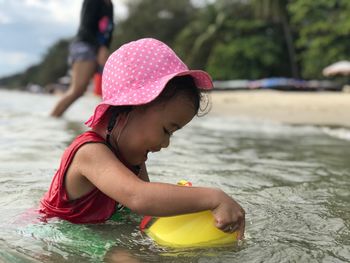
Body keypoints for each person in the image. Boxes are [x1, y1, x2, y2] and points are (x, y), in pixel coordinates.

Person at [40, 38, 245, 240]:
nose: (166, 144)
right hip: (59, 234)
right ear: (132, 106)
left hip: (92, 235)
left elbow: (147, 207)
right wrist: (213, 198)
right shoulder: (89, 152)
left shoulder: (132, 158)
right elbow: (139, 197)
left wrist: (188, 206)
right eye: (166, 130)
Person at [50, 0, 114, 117]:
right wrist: (101, 47)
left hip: (101, 50)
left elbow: (108, 32)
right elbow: (86, 28)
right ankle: (52, 119)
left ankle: (108, 128)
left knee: (109, 93)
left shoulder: (109, 4)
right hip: (85, 46)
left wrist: (105, 49)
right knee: (78, 90)